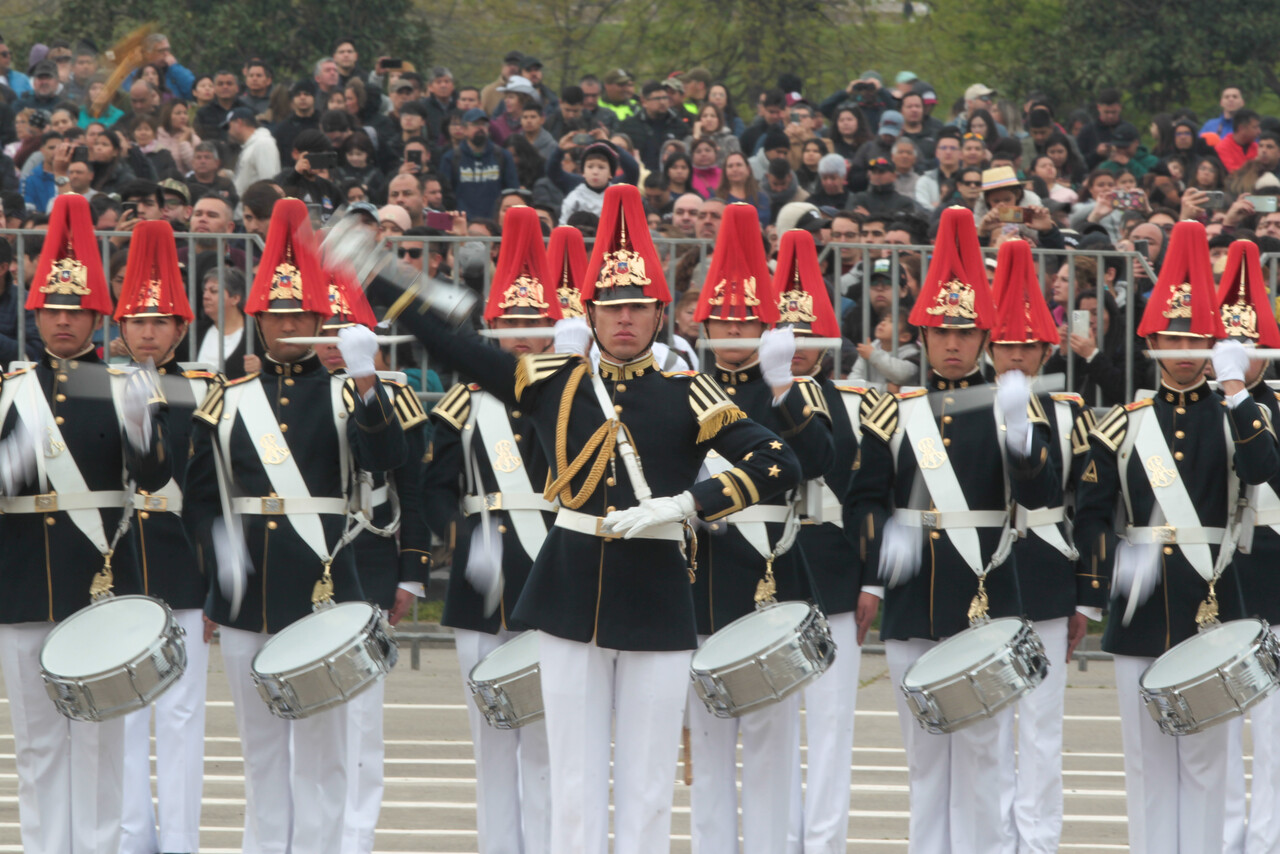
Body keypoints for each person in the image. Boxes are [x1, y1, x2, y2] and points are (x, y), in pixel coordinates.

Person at [356, 183, 802, 854]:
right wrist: (378, 280)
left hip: (656, 589)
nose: (624, 320)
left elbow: (777, 462)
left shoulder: (689, 391)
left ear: (659, 316)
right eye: (611, 308)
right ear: (589, 314)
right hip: (569, 587)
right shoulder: (552, 381)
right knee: (573, 772)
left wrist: (688, 504)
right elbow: (458, 349)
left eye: (638, 308)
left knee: (650, 777)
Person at [182, 199, 406, 854]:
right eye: (276, 314)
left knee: (323, 749)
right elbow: (202, 499)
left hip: (324, 588)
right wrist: (213, 576)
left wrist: (367, 385)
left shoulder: (345, 393)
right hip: (247, 587)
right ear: (258, 319)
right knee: (260, 750)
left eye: (299, 313)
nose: (288, 324)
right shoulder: (228, 399)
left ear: (318, 318)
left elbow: (387, 463)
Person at [845, 207, 1061, 854]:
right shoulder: (894, 409)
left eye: (966, 331)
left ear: (985, 335)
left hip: (986, 599)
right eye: (941, 330)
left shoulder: (1008, 406)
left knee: (985, 758)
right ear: (922, 333)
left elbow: (1042, 497)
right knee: (925, 760)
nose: (953, 343)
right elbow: (864, 499)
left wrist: (1022, 439)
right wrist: (883, 557)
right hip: (914, 600)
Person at [1074, 220, 1280, 854]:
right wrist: (1098, 586)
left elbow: (1264, 468)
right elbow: (1091, 510)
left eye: (1196, 338)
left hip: (1214, 606)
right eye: (1173, 336)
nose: (1185, 349)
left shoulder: (1239, 414)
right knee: (1147, 765)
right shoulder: (1126, 422)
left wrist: (1238, 391)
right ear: (1154, 339)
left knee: (1208, 765)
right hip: (1142, 607)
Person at [0, 194, 169, 854]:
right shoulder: (12, 389)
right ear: (35, 314)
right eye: (52, 310)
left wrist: (142, 416)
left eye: (75, 311)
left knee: (101, 748)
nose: (63, 321)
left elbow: (154, 476)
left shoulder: (125, 383)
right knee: (37, 746)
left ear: (97, 315)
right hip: (22, 583)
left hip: (99, 586)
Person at [686, 206, 833, 854]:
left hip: (773, 581)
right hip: (703, 583)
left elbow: (822, 461)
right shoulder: (684, 389)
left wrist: (782, 386)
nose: (735, 331)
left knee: (774, 749)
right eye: (725, 319)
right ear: (706, 322)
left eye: (748, 320)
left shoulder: (794, 391)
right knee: (709, 751)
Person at [423, 207, 556, 854]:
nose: (524, 340)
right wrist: (461, 539)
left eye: (536, 328)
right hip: (482, 587)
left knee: (549, 744)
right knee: (490, 745)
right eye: (513, 329)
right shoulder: (461, 406)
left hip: (551, 578)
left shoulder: (570, 403)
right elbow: (437, 490)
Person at [309, 263, 430, 854]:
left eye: (346, 329)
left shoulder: (396, 393)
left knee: (362, 717)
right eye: (326, 330)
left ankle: (356, 836)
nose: (334, 342)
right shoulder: (292, 393)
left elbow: (413, 488)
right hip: (308, 564)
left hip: (373, 560)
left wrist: (412, 570)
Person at [986, 238, 1097, 854]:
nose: (1016, 357)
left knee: (1042, 724)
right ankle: (997, 839)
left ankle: (1039, 842)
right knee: (992, 721)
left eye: (1028, 344)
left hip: (1050, 573)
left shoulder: (1069, 412)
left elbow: (1086, 506)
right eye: (1005, 344)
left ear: (1047, 348)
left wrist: (1088, 597)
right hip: (985, 575)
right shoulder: (965, 409)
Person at [771, 229, 880, 854]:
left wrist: (871, 581)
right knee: (775, 724)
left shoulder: (861, 404)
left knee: (832, 724)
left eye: (809, 336)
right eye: (789, 335)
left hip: (838, 575)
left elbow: (871, 498)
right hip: (772, 574)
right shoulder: (752, 399)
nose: (799, 348)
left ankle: (825, 843)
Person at [112, 221, 214, 854]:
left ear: (181, 329)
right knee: (123, 721)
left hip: (184, 569)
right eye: (136, 321)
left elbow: (210, 492)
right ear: (119, 327)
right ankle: (131, 841)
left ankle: (180, 843)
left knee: (179, 719)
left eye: (160, 322)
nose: (147, 332)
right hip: (118, 571)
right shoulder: (102, 387)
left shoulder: (205, 392)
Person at [1214, 240, 1280, 854]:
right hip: (1214, 584)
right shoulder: (1190, 414)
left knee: (1274, 733)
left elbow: (1266, 467)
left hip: (1272, 586)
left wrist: (1238, 394)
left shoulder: (1269, 406)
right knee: (1216, 738)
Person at [439, 109, 520, 220]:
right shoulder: (451, 158)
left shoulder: (503, 156)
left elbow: (512, 190)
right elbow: (446, 196)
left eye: (484, 124)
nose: (480, 128)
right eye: (475, 124)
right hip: (464, 222)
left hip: (495, 223)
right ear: (464, 129)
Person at [619, 80, 690, 172]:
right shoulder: (629, 126)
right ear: (644, 101)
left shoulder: (679, 125)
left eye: (665, 98)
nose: (662, 102)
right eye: (657, 99)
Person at [226, 106, 281, 198]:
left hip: (257, 209)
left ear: (239, 123)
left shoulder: (263, 143)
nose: (228, 131)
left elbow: (269, 182)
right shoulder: (252, 145)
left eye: (229, 126)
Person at [1215, 108, 1260, 173]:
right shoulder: (1223, 147)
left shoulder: (1257, 147)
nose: (1259, 131)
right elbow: (1233, 173)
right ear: (1241, 128)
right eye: (1255, 127)